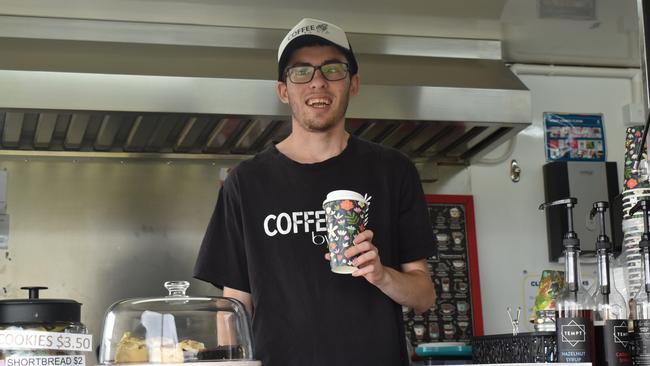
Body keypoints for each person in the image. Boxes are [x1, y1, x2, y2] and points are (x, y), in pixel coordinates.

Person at [194, 18, 436, 366]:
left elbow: (424, 295)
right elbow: (233, 309)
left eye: (333, 69)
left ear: (353, 84)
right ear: (283, 90)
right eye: (301, 72)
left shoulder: (393, 171)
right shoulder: (246, 183)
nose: (318, 82)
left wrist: (382, 275)